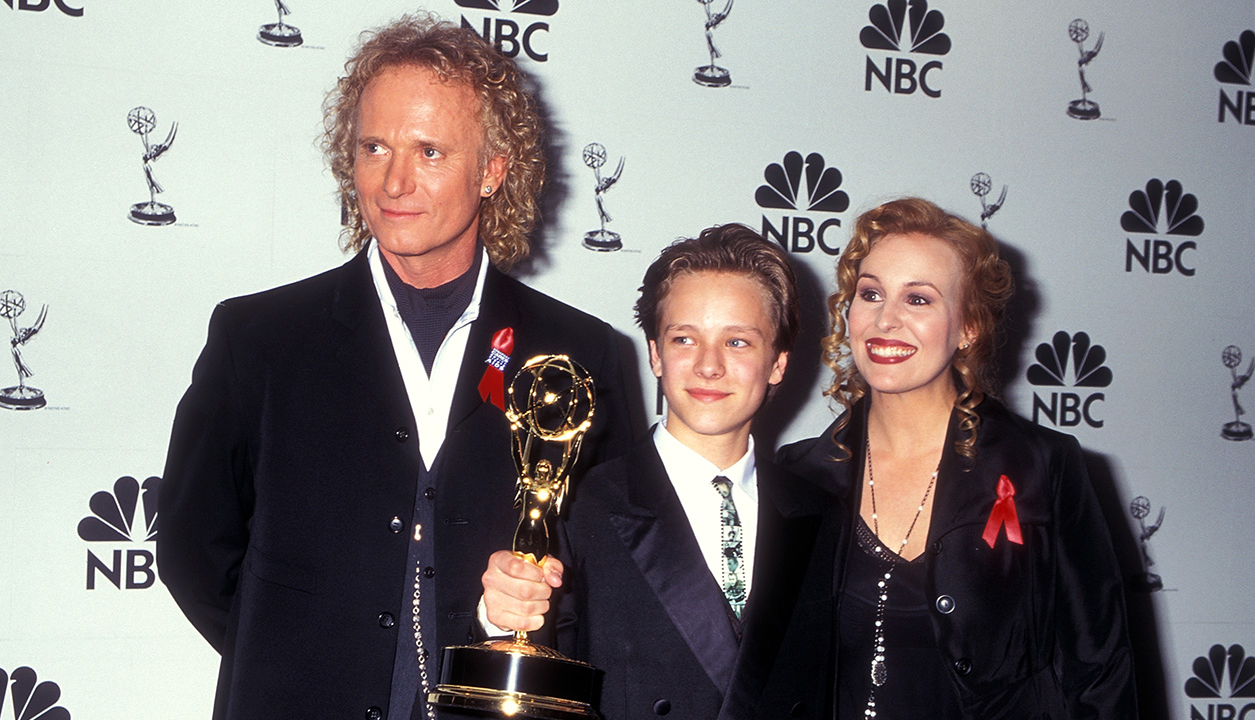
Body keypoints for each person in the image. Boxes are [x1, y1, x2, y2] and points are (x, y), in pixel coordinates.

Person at [157, 14, 633, 720]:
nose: (394, 180)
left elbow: (611, 577)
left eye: (430, 151)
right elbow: (193, 549)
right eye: (373, 146)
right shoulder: (258, 340)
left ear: (494, 169)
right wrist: (291, 658)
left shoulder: (580, 354)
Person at [779, 197, 1137, 718]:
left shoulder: (1042, 466)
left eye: (918, 300)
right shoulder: (798, 476)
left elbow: (1100, 671)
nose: (886, 319)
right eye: (871, 293)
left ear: (969, 326)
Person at [481, 224, 832, 720]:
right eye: (685, 338)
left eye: (738, 342)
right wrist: (500, 618)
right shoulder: (579, 504)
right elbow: (533, 677)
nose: (709, 366)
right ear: (655, 355)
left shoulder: (822, 515)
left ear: (777, 363)